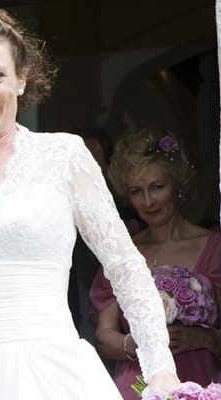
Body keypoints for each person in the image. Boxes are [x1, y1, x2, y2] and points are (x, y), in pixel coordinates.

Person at [0, 5, 180, 399]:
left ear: (21, 79)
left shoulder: (64, 156)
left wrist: (160, 368)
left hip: (49, 372)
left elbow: (124, 267)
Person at [89, 127, 221, 399]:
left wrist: (205, 338)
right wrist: (138, 342)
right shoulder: (122, 251)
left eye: (157, 187)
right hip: (136, 387)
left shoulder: (214, 247)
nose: (148, 201)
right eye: (136, 191)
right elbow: (104, 335)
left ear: (177, 185)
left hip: (202, 383)